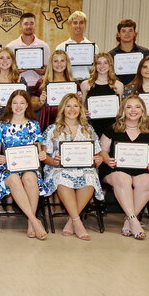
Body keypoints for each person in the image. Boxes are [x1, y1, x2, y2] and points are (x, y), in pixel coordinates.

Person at [99, 95, 149, 240]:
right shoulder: (113, 128)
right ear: (123, 110)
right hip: (115, 168)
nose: (133, 110)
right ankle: (134, 221)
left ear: (143, 111)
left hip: (144, 168)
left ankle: (129, 220)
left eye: (137, 107)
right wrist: (107, 159)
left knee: (145, 182)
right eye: (128, 107)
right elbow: (102, 150)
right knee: (123, 179)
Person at [42, 94, 104, 241]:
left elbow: (98, 154)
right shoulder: (52, 129)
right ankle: (78, 222)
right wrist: (53, 161)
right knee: (62, 178)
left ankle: (72, 221)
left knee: (90, 177)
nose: (72, 109)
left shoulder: (88, 129)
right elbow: (44, 156)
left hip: (83, 168)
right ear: (63, 109)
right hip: (58, 168)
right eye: (68, 106)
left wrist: (98, 159)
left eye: (75, 106)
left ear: (80, 109)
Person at [0, 90, 50, 240]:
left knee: (30, 178)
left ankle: (31, 222)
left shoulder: (34, 125)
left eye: (22, 103)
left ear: (27, 105)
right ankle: (34, 220)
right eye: (15, 103)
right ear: (10, 105)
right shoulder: (1, 125)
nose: (18, 106)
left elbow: (40, 149)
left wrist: (42, 154)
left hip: (29, 166)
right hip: (8, 168)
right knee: (14, 180)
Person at [80, 52, 124, 140]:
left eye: (105, 63)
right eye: (99, 63)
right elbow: (81, 107)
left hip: (112, 126)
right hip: (92, 125)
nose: (102, 66)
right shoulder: (86, 84)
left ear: (110, 65)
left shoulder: (118, 85)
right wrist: (84, 112)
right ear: (95, 66)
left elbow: (120, 109)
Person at [5, 12, 50, 93]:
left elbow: (49, 70)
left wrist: (43, 72)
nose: (29, 26)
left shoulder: (44, 46)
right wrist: (15, 71)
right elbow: (5, 70)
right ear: (20, 26)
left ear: (35, 25)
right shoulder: (10, 47)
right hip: (17, 86)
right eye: (26, 24)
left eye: (31, 23)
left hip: (39, 86)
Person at [35, 50, 77, 130]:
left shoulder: (74, 82)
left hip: (69, 118)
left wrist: (79, 98)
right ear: (51, 63)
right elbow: (33, 107)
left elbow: (79, 105)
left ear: (67, 63)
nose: (59, 64)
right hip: (48, 117)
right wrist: (40, 102)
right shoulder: (42, 83)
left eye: (62, 61)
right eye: (56, 61)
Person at [55, 10, 98, 81]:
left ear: (85, 25)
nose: (78, 26)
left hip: (88, 82)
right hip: (68, 82)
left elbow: (95, 70)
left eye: (81, 23)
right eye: (75, 23)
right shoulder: (61, 48)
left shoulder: (93, 47)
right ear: (70, 25)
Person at [108, 19, 149, 85]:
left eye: (130, 31)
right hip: (119, 90)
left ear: (134, 33)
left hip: (140, 89)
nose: (127, 34)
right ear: (119, 34)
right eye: (124, 31)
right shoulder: (111, 54)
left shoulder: (144, 52)